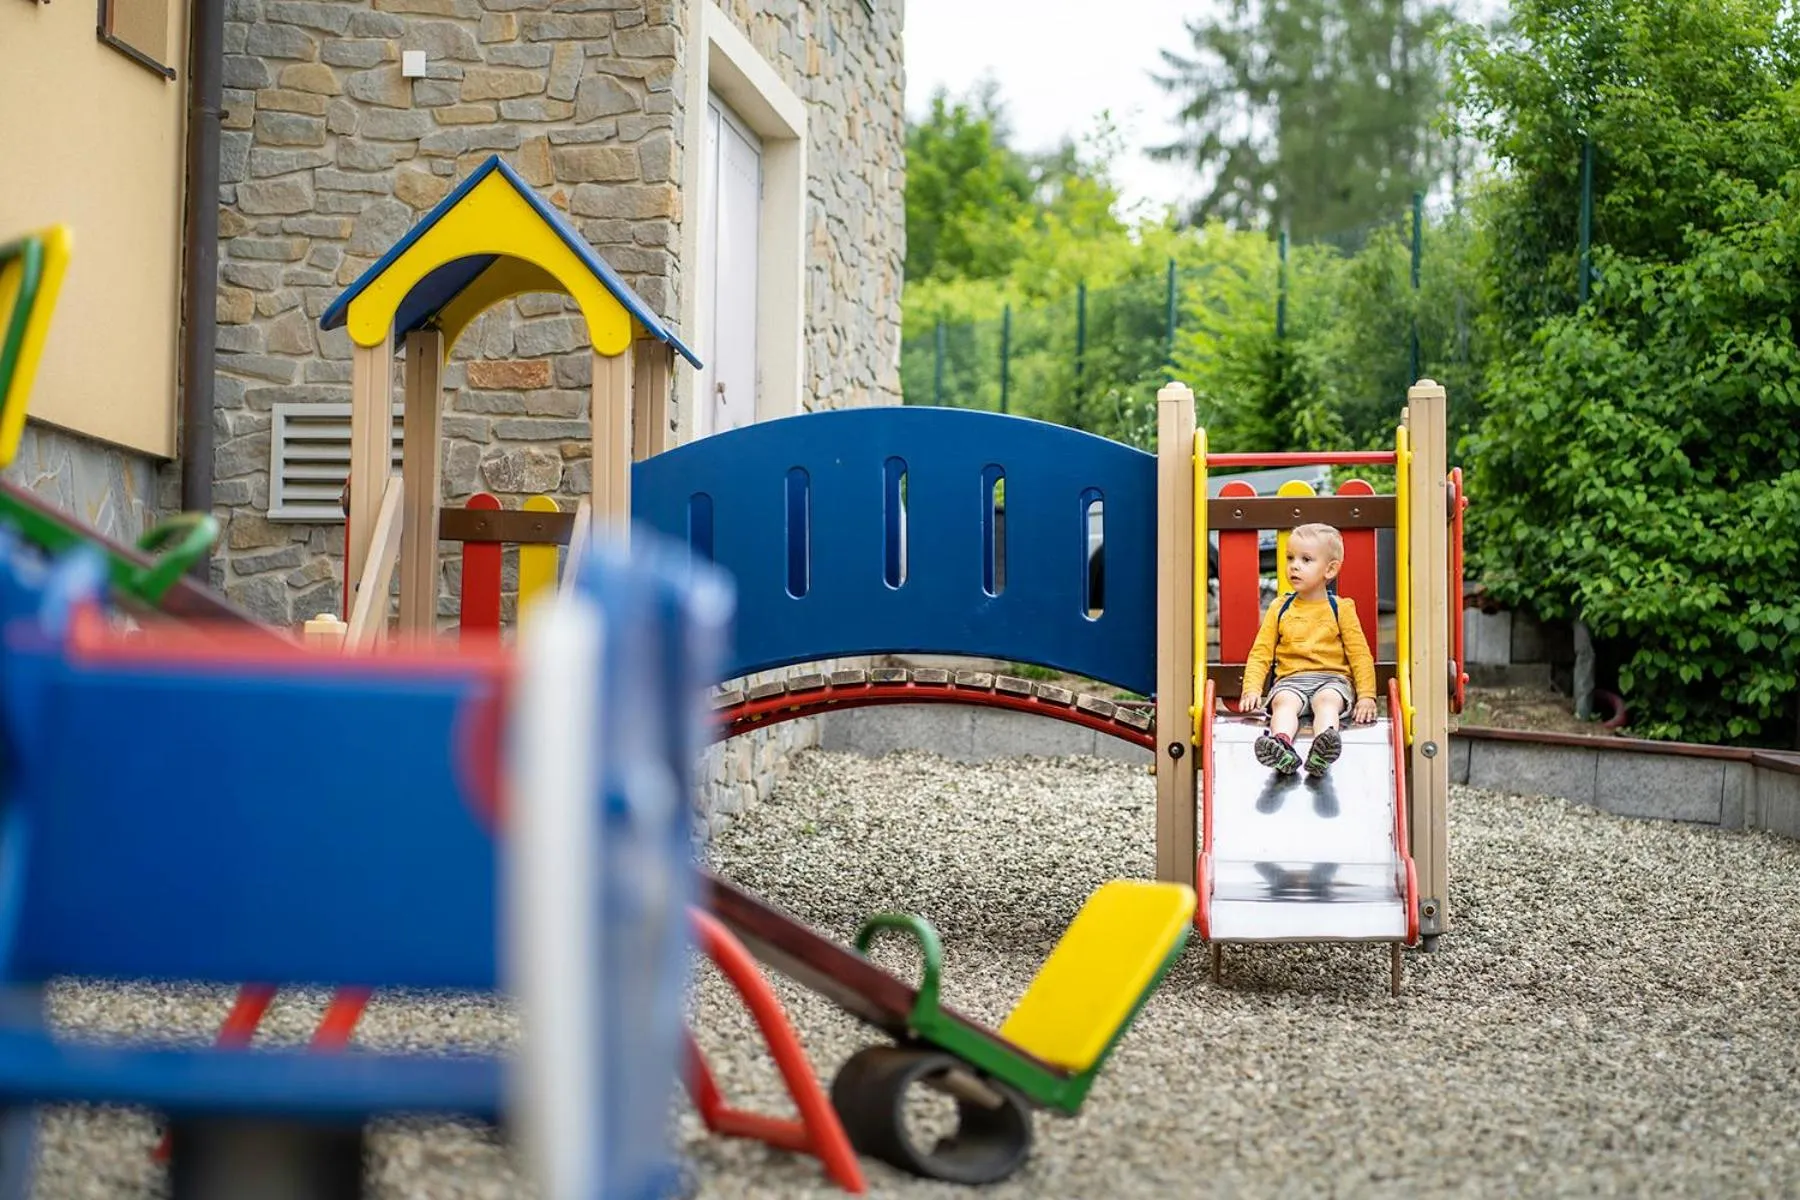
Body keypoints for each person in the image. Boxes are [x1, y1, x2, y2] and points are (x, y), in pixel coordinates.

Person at [1238, 523, 1378, 777]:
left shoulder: (1341, 609)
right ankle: (1281, 747)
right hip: (1291, 681)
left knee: (1327, 702)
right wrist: (1251, 689)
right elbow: (1261, 653)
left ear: (1330, 569)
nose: (1294, 566)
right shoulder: (1280, 608)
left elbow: (1359, 655)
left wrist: (1367, 696)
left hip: (1331, 680)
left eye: (1306, 560)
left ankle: (1323, 749)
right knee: (1283, 703)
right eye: (1290, 558)